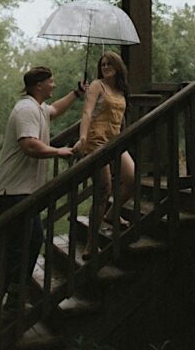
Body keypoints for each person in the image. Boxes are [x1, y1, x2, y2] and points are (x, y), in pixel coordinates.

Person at [0, 66, 83, 309]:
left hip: (21, 191)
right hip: (12, 191)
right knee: (23, 244)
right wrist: (58, 151)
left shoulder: (38, 108)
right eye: (51, 81)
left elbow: (54, 111)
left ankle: (8, 296)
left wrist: (76, 94)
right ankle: (0, 300)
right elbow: (29, 145)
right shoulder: (26, 109)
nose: (54, 84)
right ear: (39, 85)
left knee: (26, 242)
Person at [73, 51, 135, 244]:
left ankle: (111, 214)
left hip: (114, 140)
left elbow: (120, 116)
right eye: (103, 64)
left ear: (118, 67)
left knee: (131, 178)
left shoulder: (121, 90)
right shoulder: (96, 85)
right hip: (96, 141)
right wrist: (82, 137)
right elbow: (87, 112)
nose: (106, 67)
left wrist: (124, 135)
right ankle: (91, 243)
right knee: (103, 190)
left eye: (109, 64)